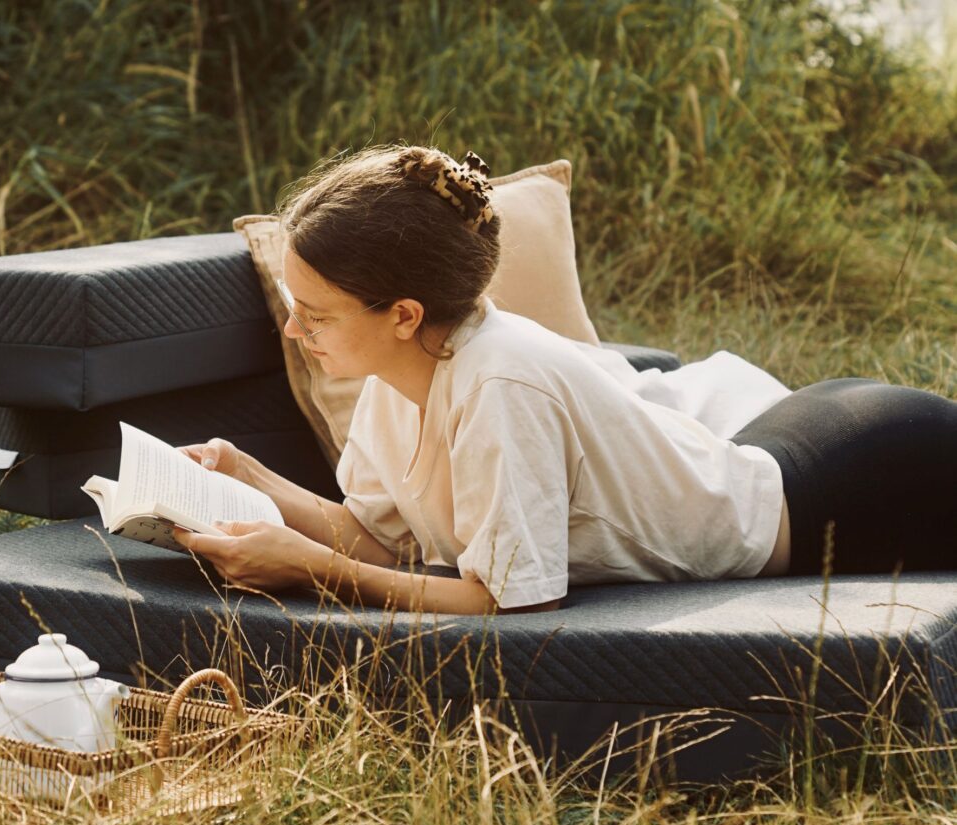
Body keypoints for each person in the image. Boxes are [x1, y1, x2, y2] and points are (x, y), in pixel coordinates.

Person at [172, 145, 957, 616]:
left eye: (315, 314)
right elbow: (384, 540)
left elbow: (511, 602)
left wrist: (312, 570)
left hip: (858, 484)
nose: (292, 328)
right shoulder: (387, 376)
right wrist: (254, 479)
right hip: (782, 440)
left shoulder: (496, 383)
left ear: (404, 313)